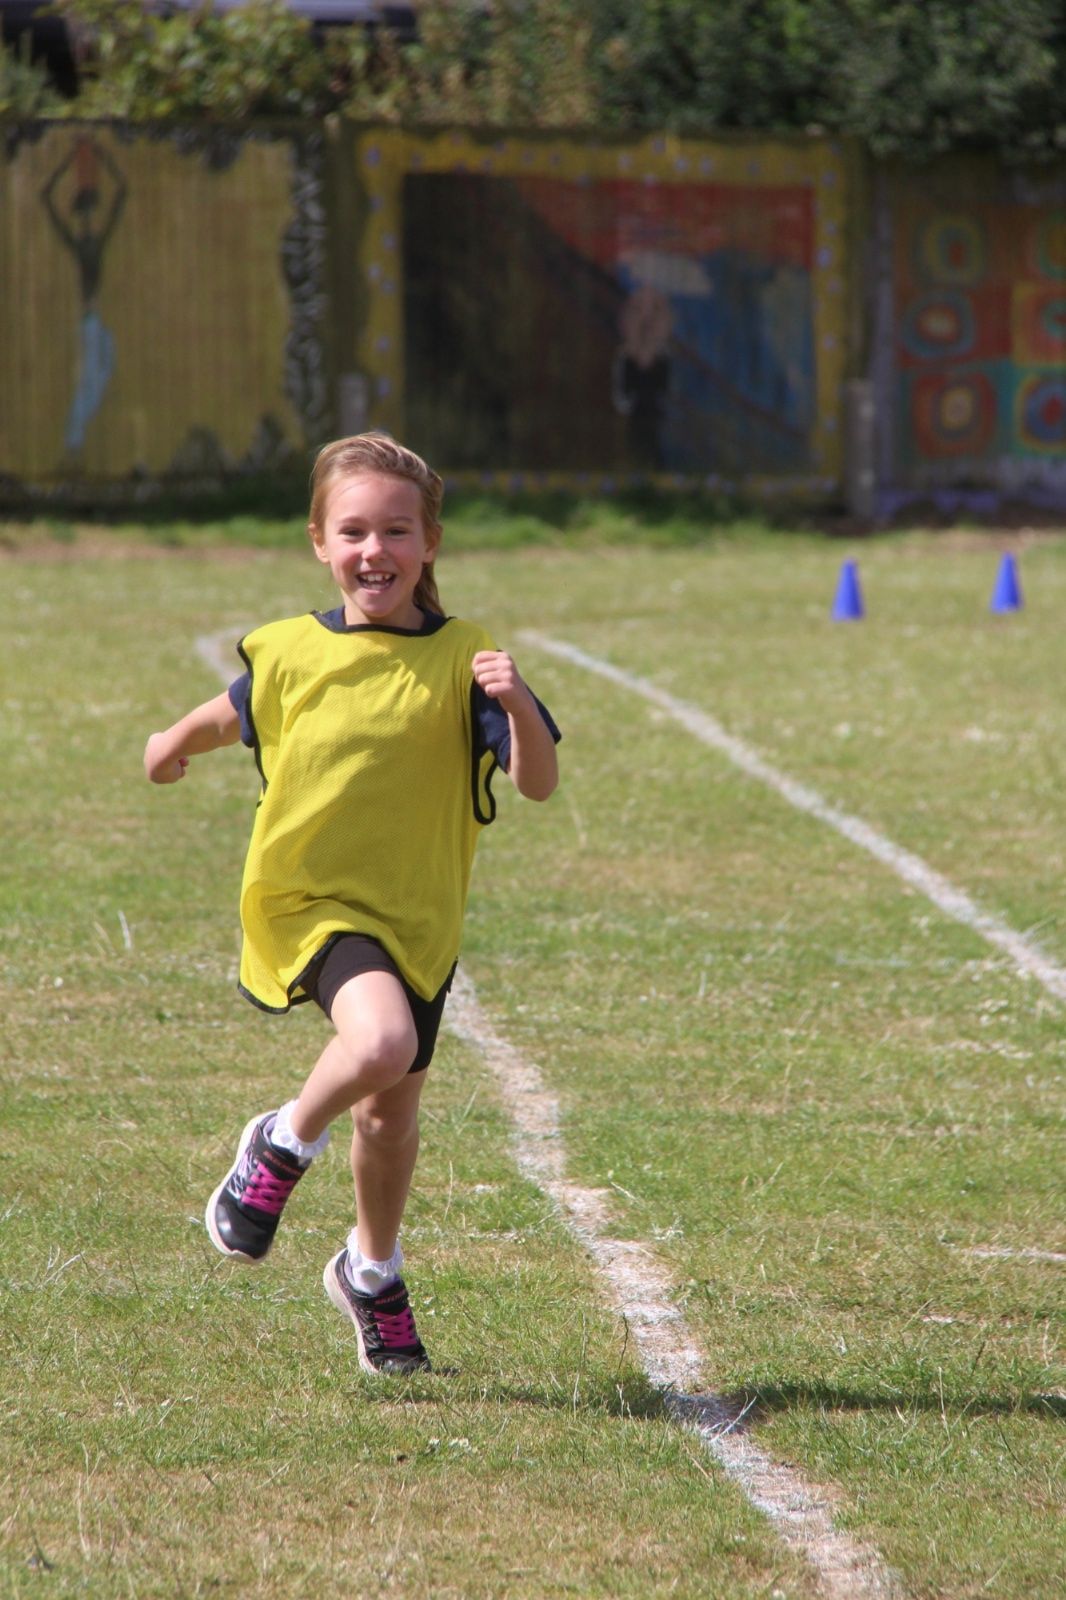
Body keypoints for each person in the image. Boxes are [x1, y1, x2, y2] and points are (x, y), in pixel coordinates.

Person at [144, 433, 560, 1375]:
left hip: (418, 919)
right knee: (379, 1044)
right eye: (355, 531)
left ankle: (371, 1273)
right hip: (310, 900)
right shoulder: (292, 649)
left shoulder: (463, 657)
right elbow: (233, 714)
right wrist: (167, 745)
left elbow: (536, 783)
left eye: (397, 531)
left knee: (389, 1117)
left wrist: (518, 705)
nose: (376, 550)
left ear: (430, 543)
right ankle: (282, 1143)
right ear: (319, 543)